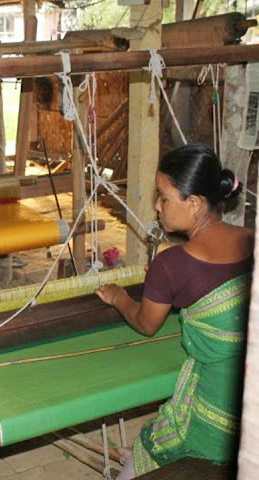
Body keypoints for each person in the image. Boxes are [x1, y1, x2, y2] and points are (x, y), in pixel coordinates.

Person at [95, 144, 253, 478]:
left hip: (214, 422)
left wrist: (119, 297)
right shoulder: (251, 239)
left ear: (194, 203)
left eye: (164, 198)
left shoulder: (172, 264)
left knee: (154, 446)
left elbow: (146, 323)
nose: (157, 205)